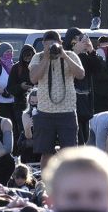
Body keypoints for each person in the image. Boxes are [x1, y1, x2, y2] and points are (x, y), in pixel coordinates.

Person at [29, 31, 86, 162]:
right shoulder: (38, 57)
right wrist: (46, 58)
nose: (52, 48)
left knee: (70, 154)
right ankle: (45, 182)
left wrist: (64, 55)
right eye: (48, 45)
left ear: (61, 43)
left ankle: (69, 182)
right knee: (46, 154)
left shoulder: (70, 55)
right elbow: (33, 78)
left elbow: (81, 74)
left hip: (67, 112)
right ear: (43, 44)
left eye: (54, 45)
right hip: (45, 112)